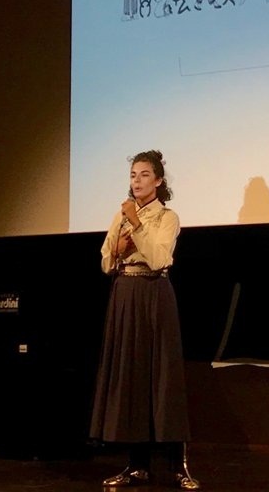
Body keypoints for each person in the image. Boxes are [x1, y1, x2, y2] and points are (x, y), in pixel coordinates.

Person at [90, 150, 200, 489]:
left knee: (162, 375)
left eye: (144, 175)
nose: (136, 181)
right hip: (125, 293)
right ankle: (136, 465)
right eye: (133, 175)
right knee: (131, 376)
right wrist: (118, 249)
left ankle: (178, 466)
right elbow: (106, 262)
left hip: (154, 293)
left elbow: (158, 258)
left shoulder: (167, 217)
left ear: (158, 181)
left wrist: (136, 227)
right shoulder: (120, 215)